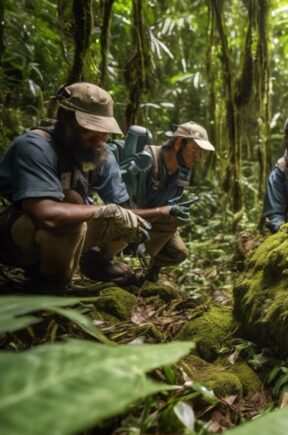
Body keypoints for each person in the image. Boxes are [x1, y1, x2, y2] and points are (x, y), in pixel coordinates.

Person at [0, 82, 151, 288]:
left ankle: (96, 262)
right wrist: (103, 210)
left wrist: (137, 227)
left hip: (63, 233)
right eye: (90, 128)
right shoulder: (35, 147)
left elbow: (122, 206)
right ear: (66, 120)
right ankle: (51, 288)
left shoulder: (101, 154)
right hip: (15, 236)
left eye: (104, 130)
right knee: (70, 221)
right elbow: (46, 214)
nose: (100, 138)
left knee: (126, 221)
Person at [100, 121, 215, 282]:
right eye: (195, 149)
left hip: (148, 219)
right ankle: (100, 261)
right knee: (121, 227)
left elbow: (169, 205)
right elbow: (120, 210)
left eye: (201, 152)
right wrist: (161, 212)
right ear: (178, 142)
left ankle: (150, 273)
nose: (198, 157)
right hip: (123, 218)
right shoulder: (144, 161)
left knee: (178, 252)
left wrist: (173, 211)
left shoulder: (183, 173)